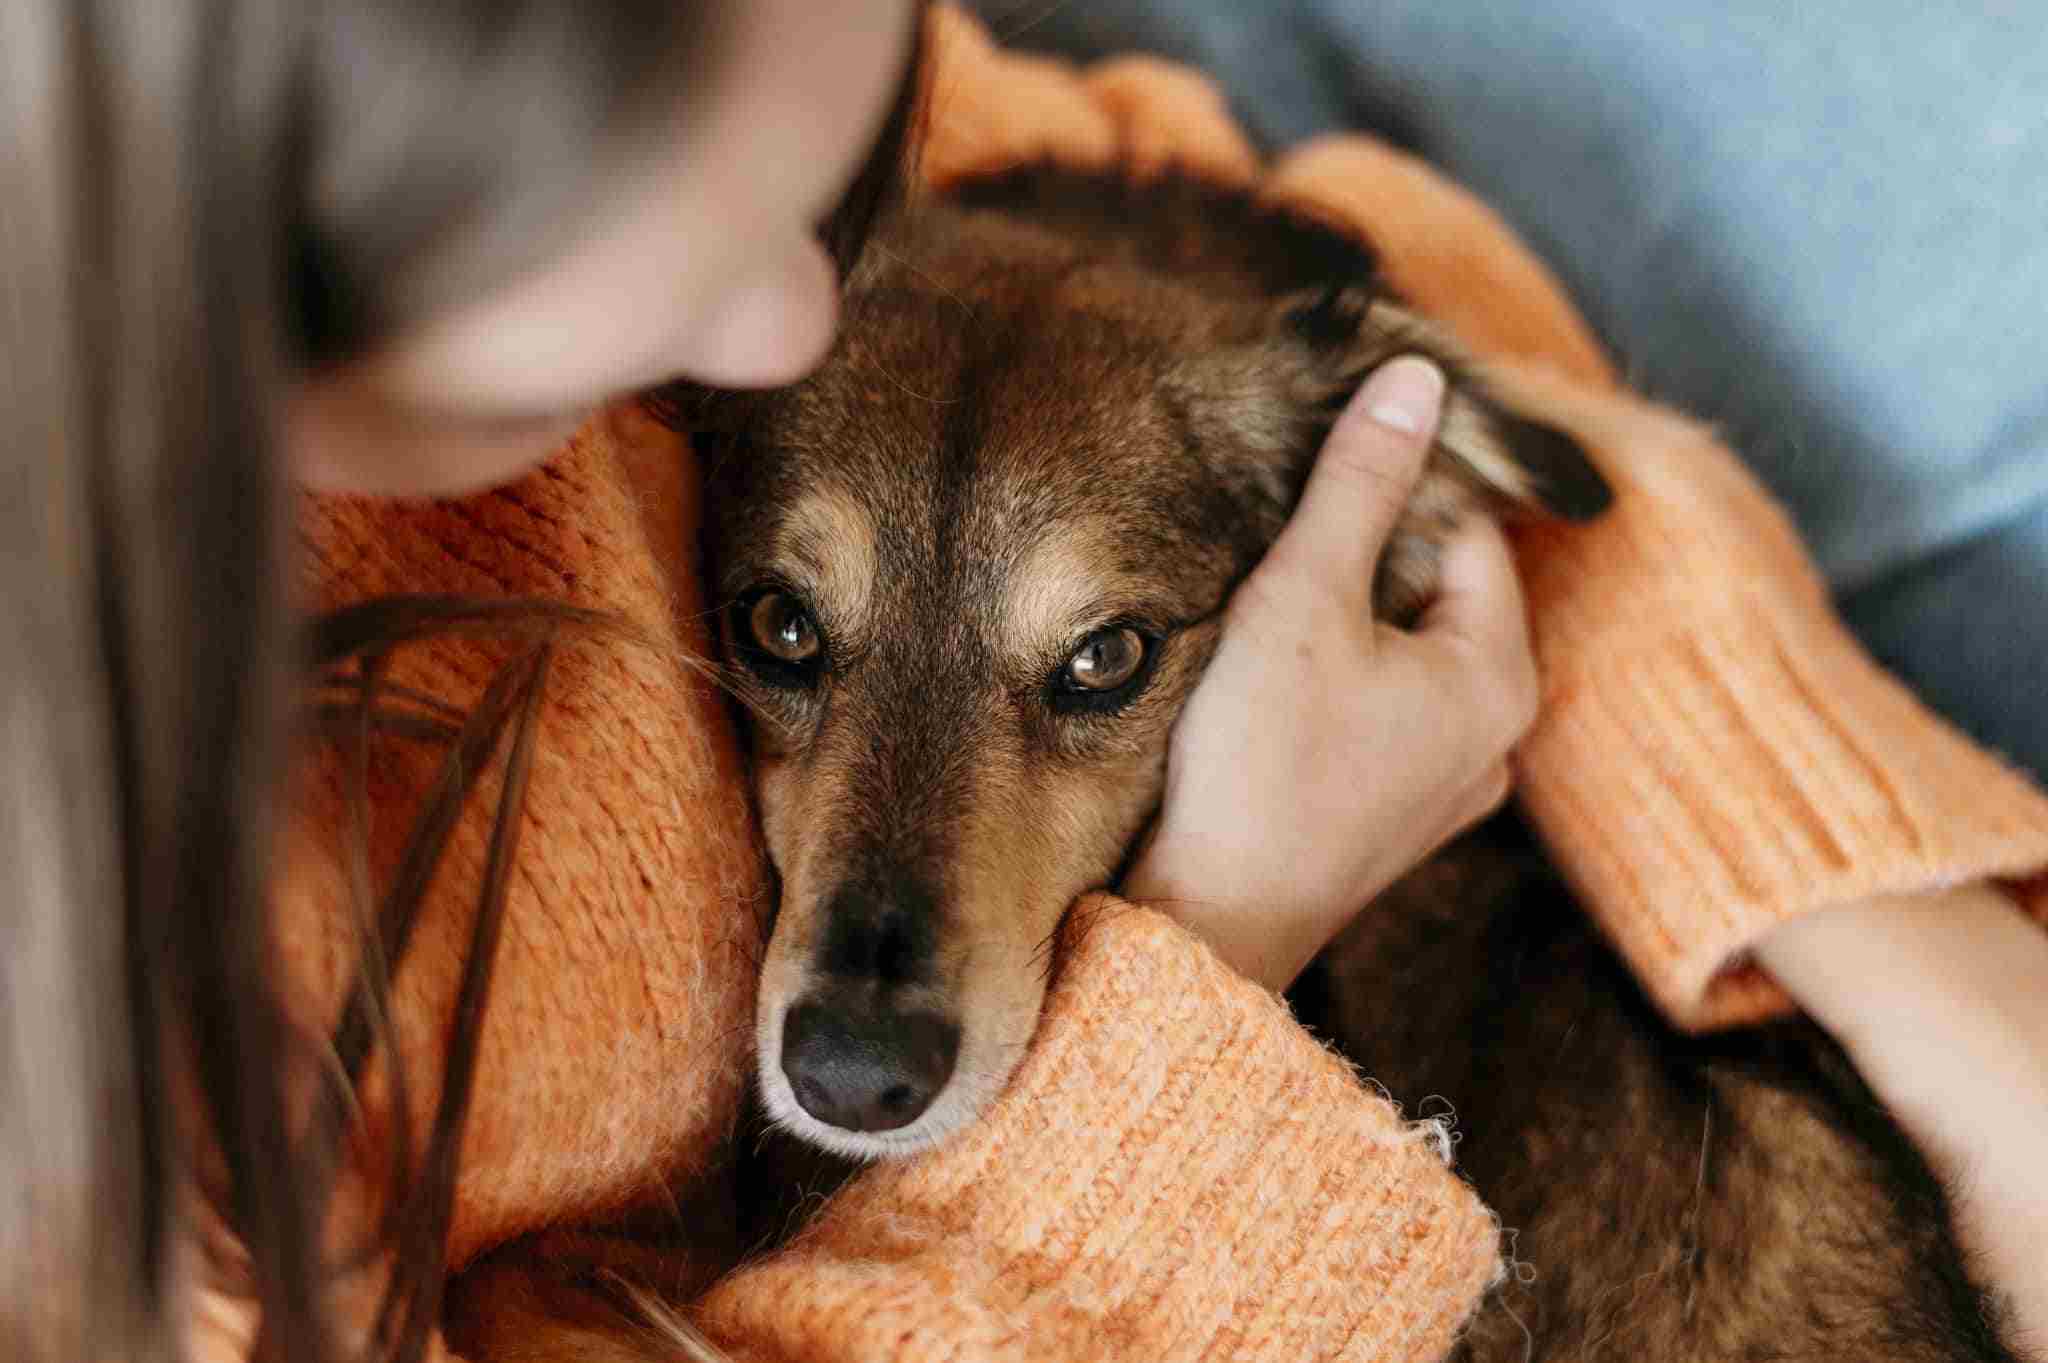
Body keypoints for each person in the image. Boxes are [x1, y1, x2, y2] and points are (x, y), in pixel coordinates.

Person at [2, 7, 2041, 1363]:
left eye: (842, 169)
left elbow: (1265, 234)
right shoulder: (106, 1123)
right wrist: (1220, 935)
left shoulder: (693, 83)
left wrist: (1893, 942)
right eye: (783, 633)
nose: (802, 317)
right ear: (222, 280)